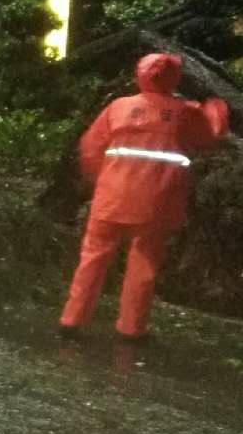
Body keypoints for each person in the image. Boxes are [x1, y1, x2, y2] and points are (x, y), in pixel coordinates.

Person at [58, 52, 229, 341]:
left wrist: (101, 180)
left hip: (111, 197)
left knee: (92, 258)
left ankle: (71, 320)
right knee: (143, 264)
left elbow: (90, 147)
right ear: (174, 78)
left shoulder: (118, 107)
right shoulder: (183, 112)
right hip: (156, 203)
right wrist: (214, 103)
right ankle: (131, 329)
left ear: (140, 74)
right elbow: (213, 132)